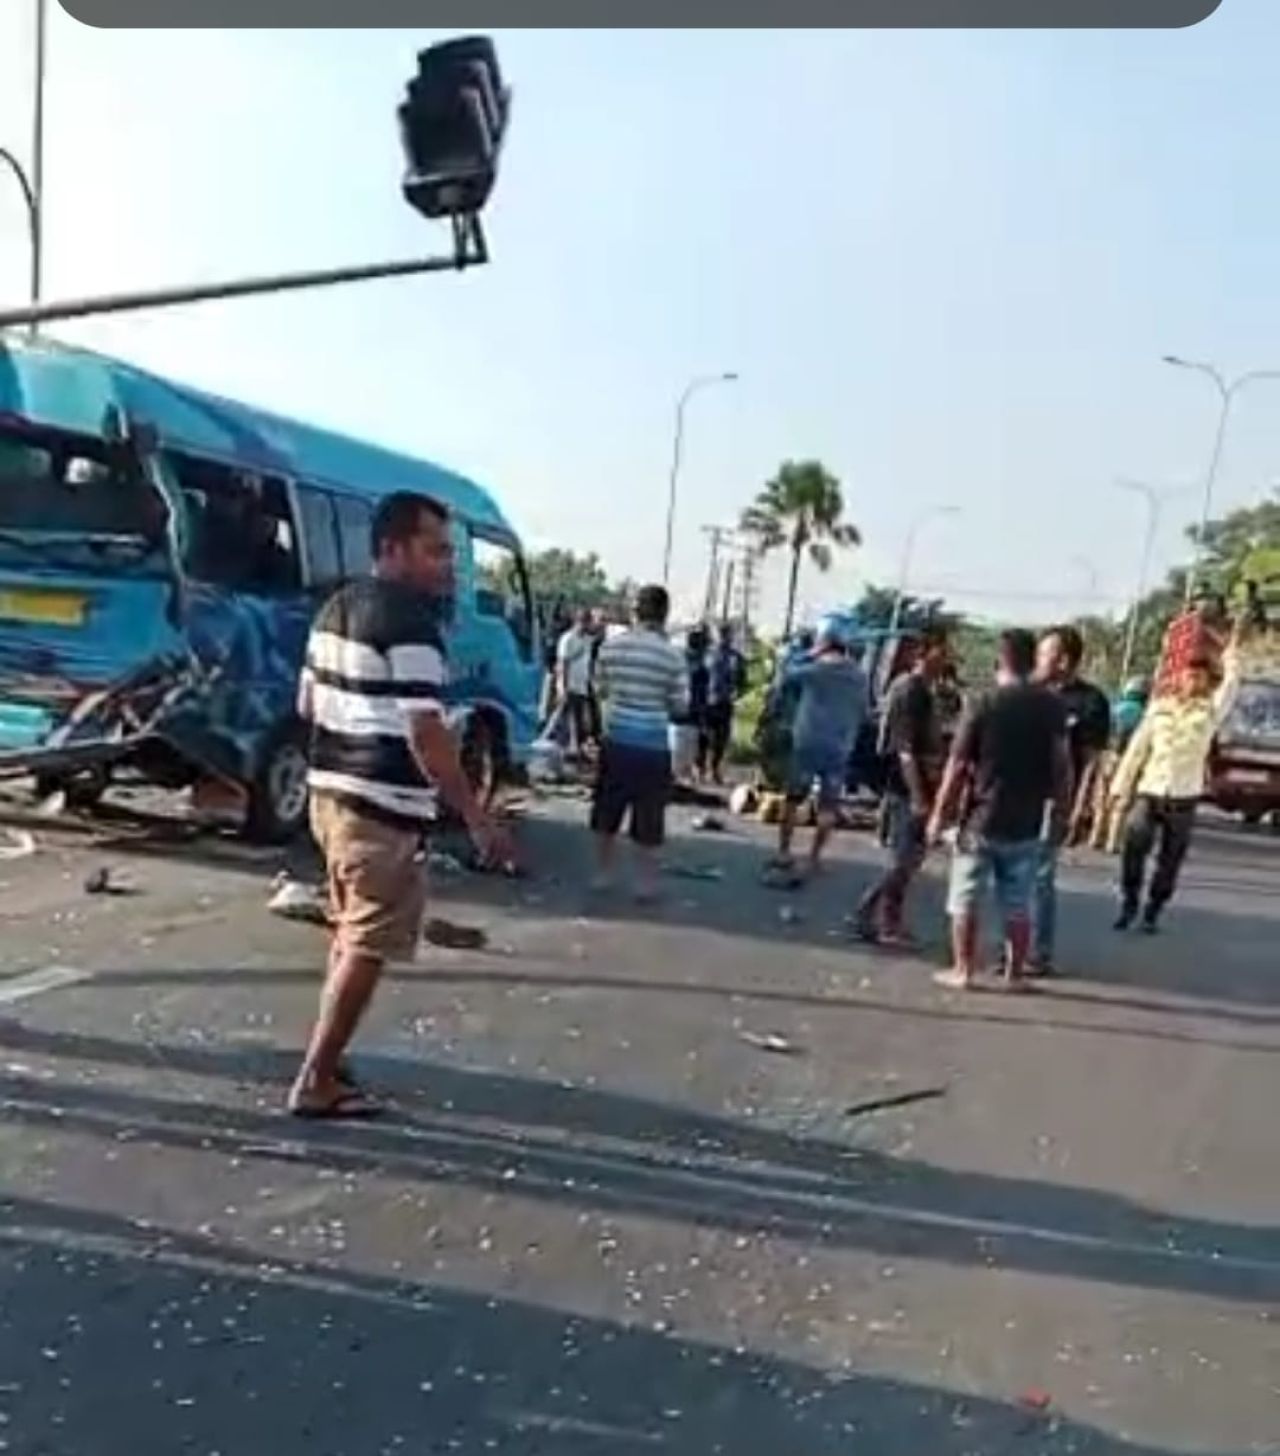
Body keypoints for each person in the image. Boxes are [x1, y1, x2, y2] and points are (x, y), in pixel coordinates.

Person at [289, 492, 514, 1118]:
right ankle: (317, 1077)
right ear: (392, 548)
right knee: (369, 938)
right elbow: (425, 735)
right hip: (378, 806)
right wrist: (475, 814)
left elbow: (307, 703)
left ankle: (328, 1059)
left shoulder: (334, 607)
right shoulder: (413, 624)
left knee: (348, 928)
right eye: (435, 549)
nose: (448, 564)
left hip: (328, 794)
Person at [928, 628, 1071, 992]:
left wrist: (938, 816)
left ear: (1001, 660)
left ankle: (964, 970)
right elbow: (1062, 765)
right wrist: (1061, 814)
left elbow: (957, 765)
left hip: (980, 819)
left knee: (966, 897)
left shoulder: (982, 702)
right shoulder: (1052, 706)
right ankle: (1015, 975)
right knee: (1018, 903)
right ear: (1031, 659)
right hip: (1026, 821)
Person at [1107, 632, 1243, 933]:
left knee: (1170, 859)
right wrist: (1120, 787)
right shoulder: (1160, 708)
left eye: (1200, 677)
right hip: (1150, 789)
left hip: (1184, 794)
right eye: (1189, 675)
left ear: (1208, 682)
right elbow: (1137, 750)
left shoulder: (1210, 712)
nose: (1194, 681)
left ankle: (1153, 909)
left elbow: (1232, 685)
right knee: (1134, 843)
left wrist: (1231, 654)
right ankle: (1129, 901)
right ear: (1180, 677)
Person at [590, 584, 689, 901]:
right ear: (664, 615)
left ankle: (604, 874)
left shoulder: (612, 648)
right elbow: (680, 706)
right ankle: (645, 883)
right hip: (653, 746)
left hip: (617, 738)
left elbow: (600, 689)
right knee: (649, 817)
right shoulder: (673, 656)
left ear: (636, 612)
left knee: (607, 809)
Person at [852, 627, 948, 946]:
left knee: (911, 860)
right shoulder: (910, 691)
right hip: (906, 786)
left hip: (919, 784)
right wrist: (919, 796)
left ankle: (889, 920)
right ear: (923, 653)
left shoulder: (926, 690)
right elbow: (905, 749)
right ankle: (867, 911)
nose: (946, 658)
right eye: (942, 651)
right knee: (902, 859)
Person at [1030, 625, 1111, 974]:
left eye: (1045, 654)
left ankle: (1037, 952)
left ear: (1064, 659)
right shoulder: (1030, 694)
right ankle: (1015, 945)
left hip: (1056, 799)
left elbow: (1093, 761)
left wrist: (1081, 807)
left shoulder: (1090, 702)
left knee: (1039, 876)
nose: (1039, 660)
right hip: (1018, 795)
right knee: (1013, 876)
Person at [770, 620, 869, 880]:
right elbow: (864, 711)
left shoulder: (815, 670)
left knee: (793, 798)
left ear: (823, 643)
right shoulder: (859, 676)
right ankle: (814, 857)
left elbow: (784, 675)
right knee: (828, 805)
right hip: (840, 746)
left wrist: (804, 653)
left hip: (808, 743)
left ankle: (784, 851)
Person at [699, 624, 747, 784]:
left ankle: (714, 769)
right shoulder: (707, 653)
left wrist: (737, 692)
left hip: (725, 701)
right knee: (704, 736)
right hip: (707, 701)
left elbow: (742, 679)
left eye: (727, 634)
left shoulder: (735, 657)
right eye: (721, 634)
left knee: (721, 738)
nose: (724, 638)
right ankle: (700, 768)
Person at [671, 624, 710, 785]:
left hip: (684, 716)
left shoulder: (683, 661)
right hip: (684, 715)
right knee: (681, 753)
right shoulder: (696, 666)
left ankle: (677, 778)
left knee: (681, 753)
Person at [556, 608, 596, 757]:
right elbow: (562, 664)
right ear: (579, 622)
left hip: (582, 686)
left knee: (580, 721)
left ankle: (577, 750)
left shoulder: (587, 640)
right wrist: (562, 686)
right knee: (567, 721)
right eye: (587, 622)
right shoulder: (567, 639)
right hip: (570, 685)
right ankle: (564, 751)